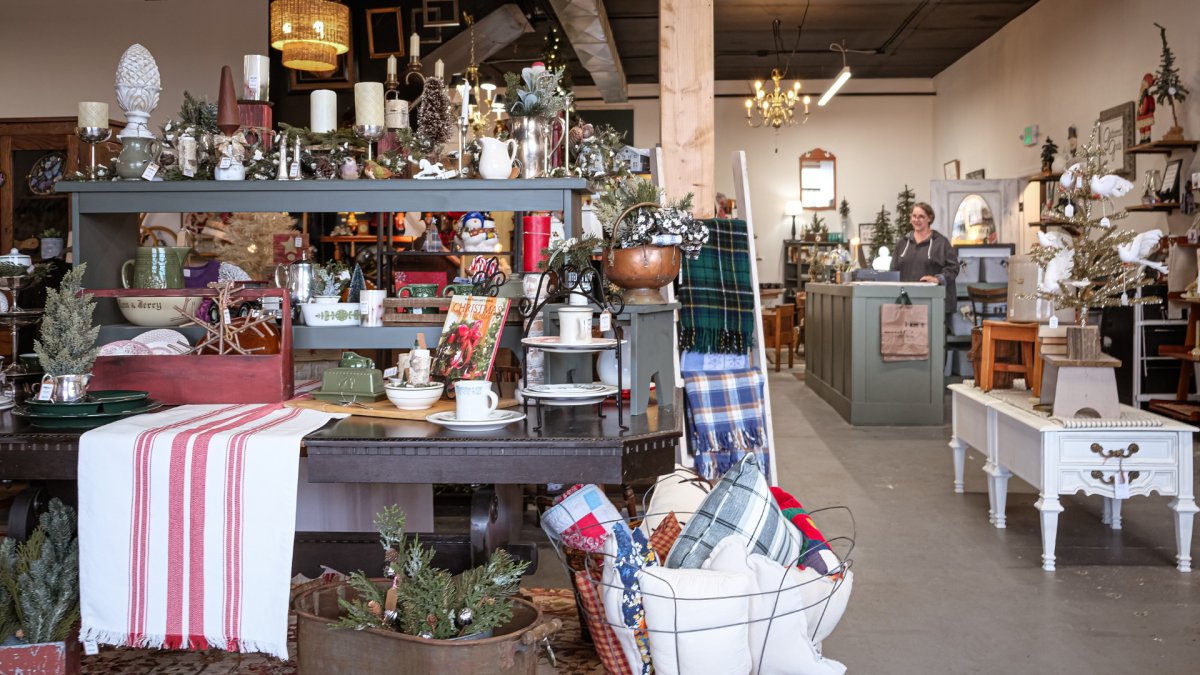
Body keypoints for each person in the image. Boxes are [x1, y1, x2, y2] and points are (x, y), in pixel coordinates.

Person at [890, 203, 959, 313]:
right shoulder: (903, 243)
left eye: (921, 216)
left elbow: (954, 267)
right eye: (914, 216)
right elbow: (893, 270)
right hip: (908, 304)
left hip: (935, 303)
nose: (916, 220)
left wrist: (938, 279)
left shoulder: (941, 243)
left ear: (929, 218)